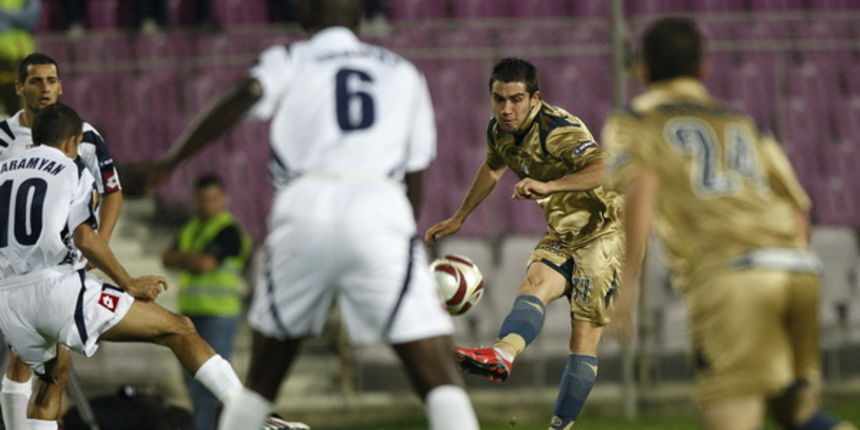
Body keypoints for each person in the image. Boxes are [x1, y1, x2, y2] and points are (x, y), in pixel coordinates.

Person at [133, 1, 480, 429]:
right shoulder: (403, 72)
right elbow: (415, 170)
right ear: (359, 15)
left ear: (304, 16)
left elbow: (246, 94)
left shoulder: (289, 59)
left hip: (304, 205)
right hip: (378, 205)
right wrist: (404, 245)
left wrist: (167, 164)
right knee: (438, 376)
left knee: (261, 381)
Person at [603, 17, 858, 430]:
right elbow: (797, 211)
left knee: (732, 418)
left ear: (641, 71)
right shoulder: (744, 123)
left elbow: (641, 185)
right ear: (704, 70)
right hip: (798, 268)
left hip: (733, 276)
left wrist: (627, 283)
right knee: (796, 413)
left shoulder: (635, 120)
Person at [0, 103, 245, 430]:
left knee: (52, 377)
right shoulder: (72, 169)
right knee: (178, 328)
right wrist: (128, 282)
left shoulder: (4, 168)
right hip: (56, 290)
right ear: (73, 141)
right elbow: (85, 237)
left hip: (9, 300)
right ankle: (251, 414)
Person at [424, 57, 623, 430]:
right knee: (533, 284)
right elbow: (493, 166)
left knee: (582, 336)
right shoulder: (498, 129)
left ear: (535, 98)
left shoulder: (558, 130)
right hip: (564, 232)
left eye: (516, 99)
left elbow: (605, 167)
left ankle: (560, 427)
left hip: (605, 231)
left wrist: (550, 186)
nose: (507, 109)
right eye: (499, 99)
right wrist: (460, 216)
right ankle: (501, 355)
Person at [0, 52, 125, 430]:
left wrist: (98, 246)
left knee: (43, 360)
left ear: (61, 85)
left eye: (51, 80)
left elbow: (113, 191)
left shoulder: (83, 134)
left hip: (65, 260)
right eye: (36, 81)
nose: (45, 89)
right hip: (19, 264)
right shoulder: (4, 137)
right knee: (31, 359)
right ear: (19, 87)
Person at [162, 174, 252, 430]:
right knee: (195, 383)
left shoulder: (228, 230)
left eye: (212, 199)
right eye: (202, 200)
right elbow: (167, 258)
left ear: (223, 198)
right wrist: (194, 259)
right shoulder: (191, 227)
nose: (207, 205)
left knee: (214, 386)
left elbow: (204, 264)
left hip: (218, 317)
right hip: (190, 315)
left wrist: (185, 258)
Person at [0, 0, 40, 117]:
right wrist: (14, 17)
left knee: (21, 105)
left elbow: (30, 19)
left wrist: (2, 14)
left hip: (20, 54)